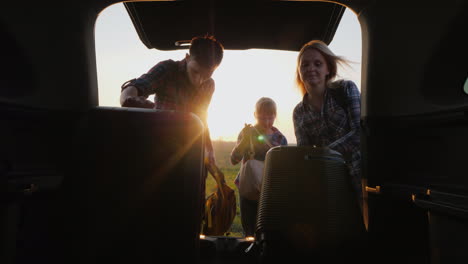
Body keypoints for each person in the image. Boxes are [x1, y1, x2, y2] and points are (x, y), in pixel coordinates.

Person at [119, 35, 224, 166]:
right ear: (187, 57)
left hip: (189, 149)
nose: (199, 81)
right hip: (158, 145)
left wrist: (209, 148)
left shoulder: (209, 85)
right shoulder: (167, 69)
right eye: (195, 72)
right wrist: (128, 99)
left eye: (207, 75)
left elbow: (202, 117)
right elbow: (136, 87)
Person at [292, 39, 362, 205]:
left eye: (318, 64)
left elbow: (359, 132)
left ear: (328, 69)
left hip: (360, 172)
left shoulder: (345, 89)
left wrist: (324, 153)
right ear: (299, 71)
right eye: (305, 65)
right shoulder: (299, 112)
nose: (311, 69)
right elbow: (304, 153)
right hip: (329, 179)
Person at [230, 97, 288, 237]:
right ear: (255, 115)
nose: (267, 122)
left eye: (270, 117)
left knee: (268, 229)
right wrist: (244, 141)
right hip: (248, 187)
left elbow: (283, 168)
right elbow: (234, 160)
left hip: (269, 190)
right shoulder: (246, 133)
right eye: (262, 118)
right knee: (249, 229)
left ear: (275, 116)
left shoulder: (280, 138)